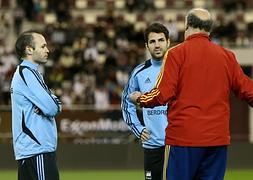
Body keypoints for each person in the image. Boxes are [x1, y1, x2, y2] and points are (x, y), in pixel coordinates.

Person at [129, 8, 253, 180]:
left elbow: (162, 93)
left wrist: (140, 99)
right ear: (209, 30)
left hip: (184, 140)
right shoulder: (227, 56)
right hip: (217, 141)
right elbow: (249, 91)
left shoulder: (176, 54)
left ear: (187, 26)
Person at [10, 30, 61, 180]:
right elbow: (52, 107)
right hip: (37, 150)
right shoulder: (27, 73)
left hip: (32, 150)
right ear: (29, 49)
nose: (48, 50)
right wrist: (55, 103)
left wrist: (50, 103)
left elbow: (49, 105)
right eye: (43, 46)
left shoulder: (28, 73)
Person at [121, 22, 170, 180]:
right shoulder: (139, 72)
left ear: (168, 42)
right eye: (152, 41)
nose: (157, 45)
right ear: (146, 46)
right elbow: (126, 103)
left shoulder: (179, 69)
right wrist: (138, 129)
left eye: (161, 40)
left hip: (177, 146)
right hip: (152, 146)